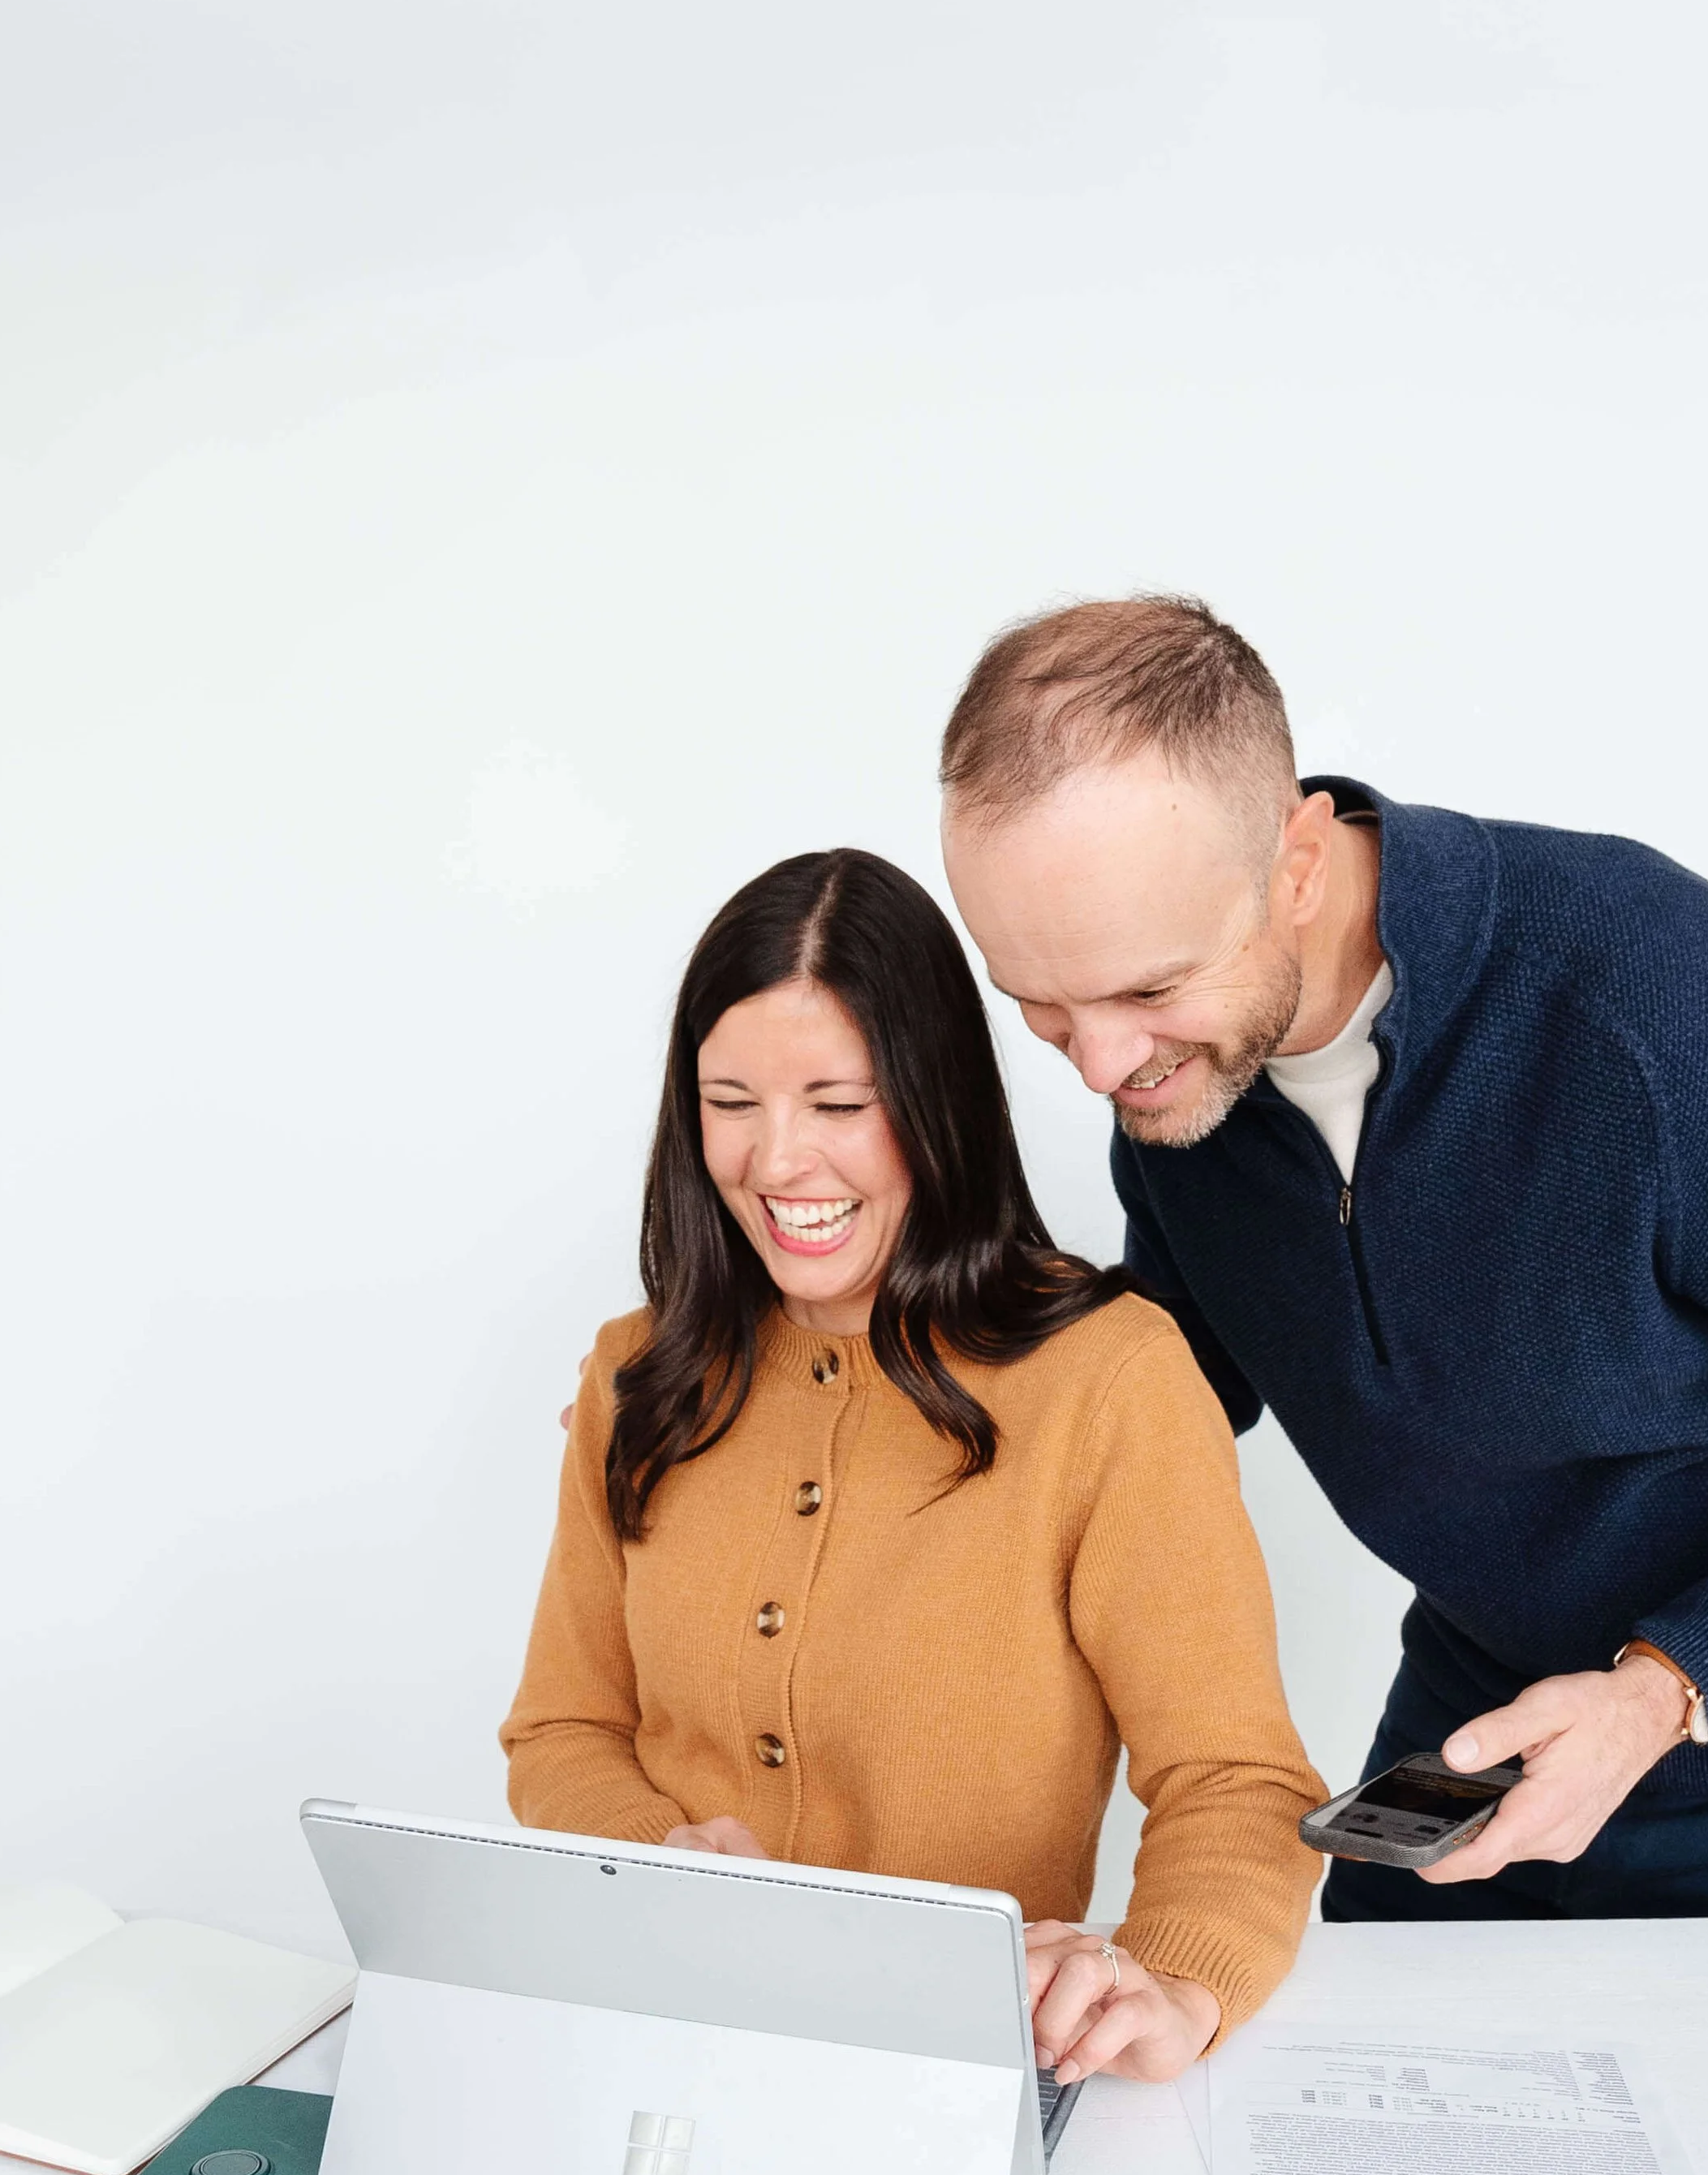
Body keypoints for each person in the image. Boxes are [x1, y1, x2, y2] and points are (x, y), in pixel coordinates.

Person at [940, 596, 1708, 1919]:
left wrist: (1669, 1685)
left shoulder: (1650, 994)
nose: (1102, 1063)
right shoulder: (1181, 1096)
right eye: (1041, 1004)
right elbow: (1168, 1385)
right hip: (1485, 1699)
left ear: (1298, 863)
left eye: (1150, 989)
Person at [503, 846, 1323, 2082]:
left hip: (955, 2077)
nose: (779, 1162)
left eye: (838, 1106)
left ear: (936, 1101)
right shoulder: (636, 1376)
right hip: (654, 2040)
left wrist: (1175, 1978)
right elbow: (564, 1728)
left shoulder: (1108, 1379)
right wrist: (658, 1851)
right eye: (731, 1101)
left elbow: (1235, 1776)